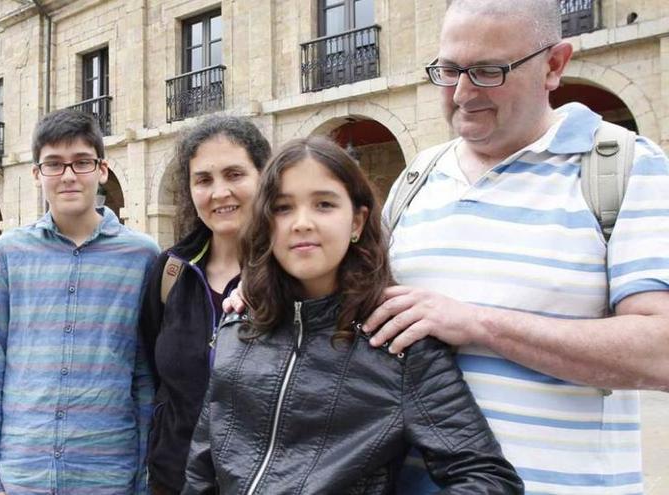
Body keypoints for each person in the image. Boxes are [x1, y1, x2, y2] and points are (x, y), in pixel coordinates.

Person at [352, 1, 669, 492]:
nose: (461, 92)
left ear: (554, 65)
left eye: (486, 71)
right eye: (450, 70)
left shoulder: (627, 169)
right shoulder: (417, 177)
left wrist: (479, 324)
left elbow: (661, 353)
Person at [184, 136, 523, 494]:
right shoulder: (239, 326)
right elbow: (202, 468)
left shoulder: (398, 343)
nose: (302, 223)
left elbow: (488, 478)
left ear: (357, 221)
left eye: (324, 204)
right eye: (283, 208)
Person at [0, 109, 159, 495]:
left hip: (107, 477)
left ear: (101, 169)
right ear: (37, 174)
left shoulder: (142, 256)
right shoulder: (10, 251)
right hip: (22, 475)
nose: (68, 175)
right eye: (54, 164)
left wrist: (142, 477)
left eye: (82, 162)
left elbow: (144, 375)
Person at [139, 116, 271, 495]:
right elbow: (153, 371)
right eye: (204, 179)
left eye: (234, 174)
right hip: (173, 480)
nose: (219, 192)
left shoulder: (292, 276)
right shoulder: (170, 272)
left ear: (264, 177)